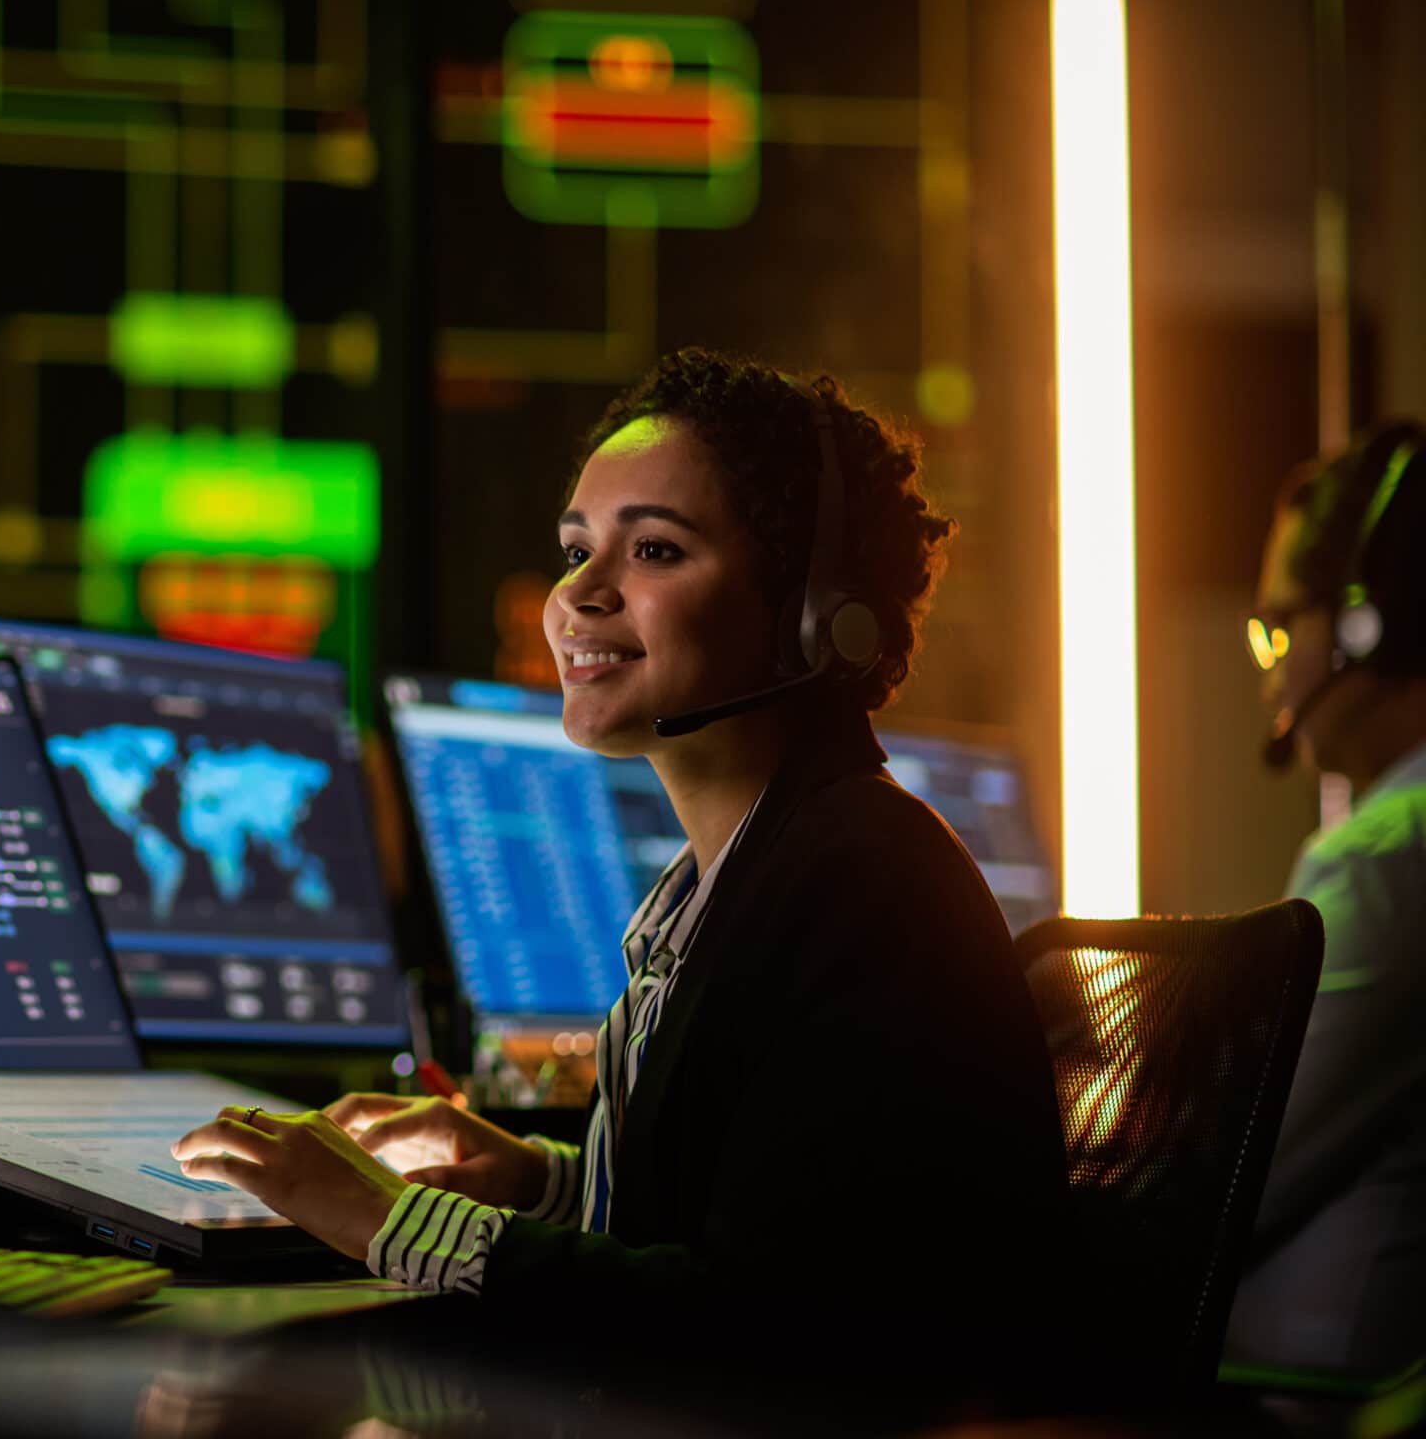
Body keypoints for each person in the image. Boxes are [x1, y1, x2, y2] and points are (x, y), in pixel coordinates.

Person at [172, 349, 1071, 1395]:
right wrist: (536, 1182)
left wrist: (389, 1219)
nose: (575, 599)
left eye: (651, 550)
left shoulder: (862, 886)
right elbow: (739, 1215)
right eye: (572, 550)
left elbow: (765, 1325)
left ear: (811, 612)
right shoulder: (737, 878)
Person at [1229, 421, 1426, 1379]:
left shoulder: (1388, 859)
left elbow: (1229, 1174)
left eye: (1279, 625)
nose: (1267, 664)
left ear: (1364, 624)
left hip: (1302, 1401)